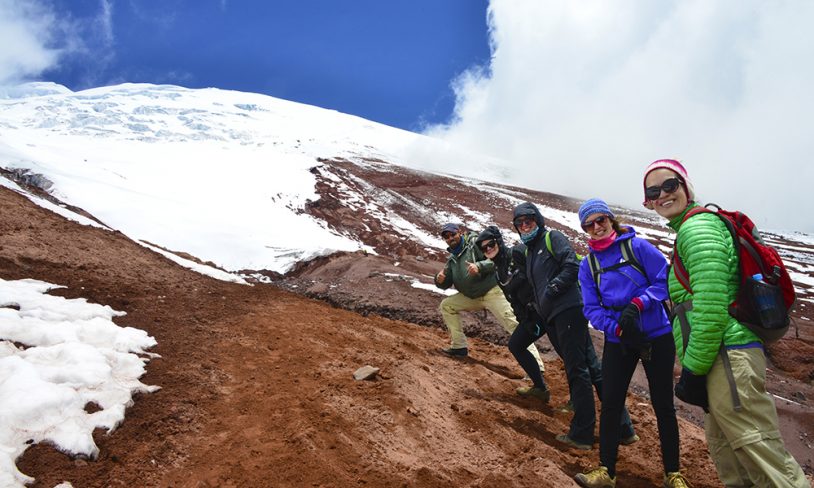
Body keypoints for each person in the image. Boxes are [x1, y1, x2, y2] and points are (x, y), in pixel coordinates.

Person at [643, 159, 808, 487]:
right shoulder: (689, 229)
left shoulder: (697, 229)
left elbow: (711, 306)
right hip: (718, 358)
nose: (662, 194)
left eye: (670, 185)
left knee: (759, 453)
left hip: (727, 354)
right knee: (732, 457)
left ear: (687, 187)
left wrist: (692, 370)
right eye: (653, 191)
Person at [572, 198, 687, 488]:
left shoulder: (637, 247)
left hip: (657, 335)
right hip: (619, 341)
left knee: (663, 406)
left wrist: (638, 304)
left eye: (601, 220)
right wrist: (619, 329)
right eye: (590, 224)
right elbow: (591, 309)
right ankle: (606, 472)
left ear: (611, 219)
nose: (597, 227)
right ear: (585, 228)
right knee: (611, 403)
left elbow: (665, 280)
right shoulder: (588, 265)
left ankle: (673, 474)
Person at [512, 202, 636, 451]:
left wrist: (553, 288)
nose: (525, 226)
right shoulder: (529, 251)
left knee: (577, 371)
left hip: (568, 311)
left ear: (538, 220)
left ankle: (582, 434)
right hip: (557, 315)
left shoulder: (551, 238)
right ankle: (624, 429)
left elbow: (571, 263)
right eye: (520, 223)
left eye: (529, 220)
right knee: (593, 369)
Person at [434, 223, 545, 371]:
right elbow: (446, 282)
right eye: (446, 236)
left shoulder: (474, 245)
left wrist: (479, 266)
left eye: (452, 234)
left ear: (459, 232)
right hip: (472, 296)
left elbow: (494, 259)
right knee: (447, 305)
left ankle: (536, 366)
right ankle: (459, 346)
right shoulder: (452, 259)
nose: (450, 238)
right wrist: (439, 280)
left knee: (513, 322)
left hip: (492, 292)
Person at [475, 225, 549, 401]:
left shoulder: (517, 253)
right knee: (516, 345)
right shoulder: (498, 272)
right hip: (532, 315)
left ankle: (577, 401)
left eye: (491, 244)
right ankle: (540, 388)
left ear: (498, 242)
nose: (488, 249)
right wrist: (524, 318)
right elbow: (513, 299)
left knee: (567, 354)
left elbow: (540, 272)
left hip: (548, 309)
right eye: (484, 248)